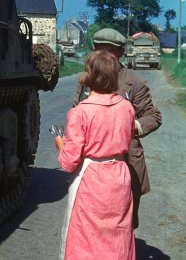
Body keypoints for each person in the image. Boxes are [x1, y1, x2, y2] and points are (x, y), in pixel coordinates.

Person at [74, 28, 162, 228]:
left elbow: (153, 116)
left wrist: (129, 126)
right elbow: (77, 112)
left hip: (126, 161)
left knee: (125, 224)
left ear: (121, 53)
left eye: (110, 51)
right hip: (92, 162)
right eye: (99, 49)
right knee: (90, 224)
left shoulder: (135, 81)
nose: (104, 56)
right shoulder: (85, 79)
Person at [56, 50, 136, 260]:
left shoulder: (81, 112)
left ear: (89, 75)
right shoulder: (126, 108)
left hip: (91, 180)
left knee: (86, 240)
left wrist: (60, 145)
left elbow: (69, 161)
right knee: (117, 236)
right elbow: (125, 141)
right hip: (119, 177)